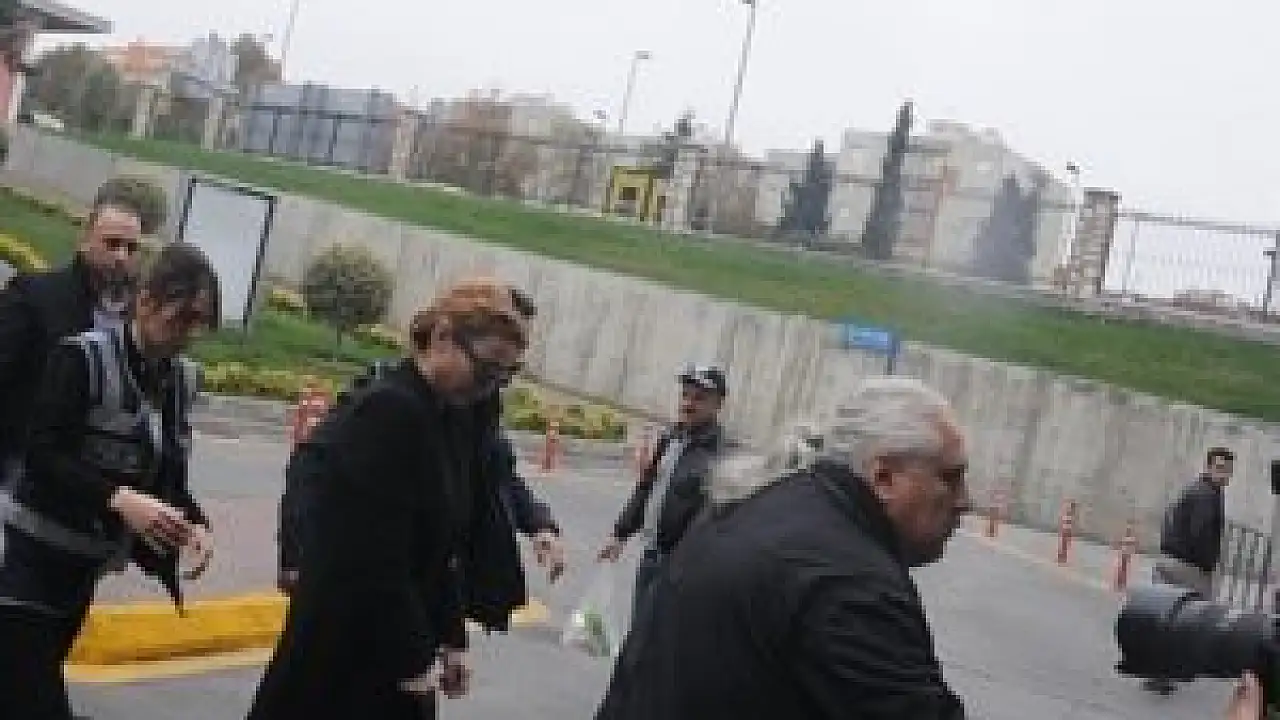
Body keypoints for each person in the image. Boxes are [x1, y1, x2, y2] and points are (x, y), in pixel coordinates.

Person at [247, 278, 533, 720]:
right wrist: (413, 657)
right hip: (348, 649)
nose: (490, 388)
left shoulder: (451, 416)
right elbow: (374, 557)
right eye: (486, 371)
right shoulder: (390, 410)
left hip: (394, 645)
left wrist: (451, 638)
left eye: (504, 378)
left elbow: (442, 547)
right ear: (442, 336)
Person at [0, 242, 220, 719]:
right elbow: (41, 455)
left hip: (82, 572)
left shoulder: (180, 381)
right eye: (180, 319)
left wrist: (193, 524)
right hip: (25, 564)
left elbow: (166, 477)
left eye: (199, 324)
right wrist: (118, 499)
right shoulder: (81, 358)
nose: (188, 335)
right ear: (145, 302)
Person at [275, 288, 564, 595]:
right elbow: (313, 460)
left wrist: (538, 523)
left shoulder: (478, 406)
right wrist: (295, 553)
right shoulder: (389, 400)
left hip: (441, 583)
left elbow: (495, 473)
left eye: (508, 370)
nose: (497, 378)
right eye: (492, 364)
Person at [0, 188, 149, 470]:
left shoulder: (138, 318)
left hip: (95, 473)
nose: (121, 256)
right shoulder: (35, 296)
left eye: (131, 248)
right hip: (24, 462)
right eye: (112, 244)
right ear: (85, 242)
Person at [597, 364, 728, 623]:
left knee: (664, 636)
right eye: (685, 395)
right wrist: (620, 534)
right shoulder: (671, 438)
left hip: (684, 569)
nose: (688, 404)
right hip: (652, 556)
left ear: (718, 405)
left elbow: (718, 521)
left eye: (699, 398)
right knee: (641, 630)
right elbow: (646, 486)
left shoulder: (720, 457)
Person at [1142, 446, 1235, 695]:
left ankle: (1156, 670)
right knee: (1183, 621)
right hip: (1187, 566)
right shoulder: (1207, 495)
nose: (1223, 474)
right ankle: (1161, 673)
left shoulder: (1197, 489)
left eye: (1227, 470)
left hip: (1172, 560)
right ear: (1208, 467)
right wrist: (1207, 568)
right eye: (1219, 468)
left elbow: (1170, 518)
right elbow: (1200, 533)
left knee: (1168, 618)